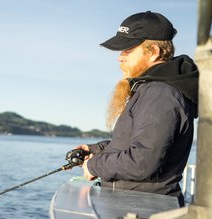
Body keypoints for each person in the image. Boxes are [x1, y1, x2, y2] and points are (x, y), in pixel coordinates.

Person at [71, 11, 198, 207]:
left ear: (153, 52)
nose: (120, 58)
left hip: (144, 211)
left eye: (127, 49)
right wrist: (96, 149)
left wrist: (94, 165)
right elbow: (137, 143)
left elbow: (142, 161)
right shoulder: (151, 89)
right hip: (133, 205)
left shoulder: (161, 94)